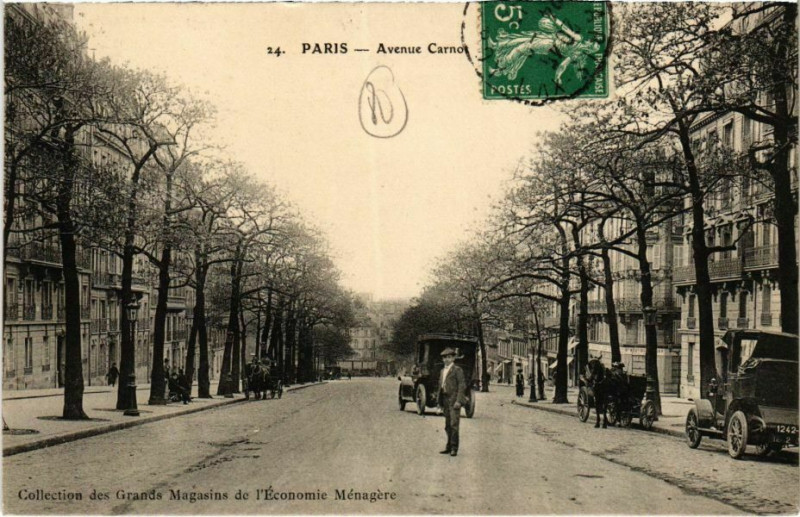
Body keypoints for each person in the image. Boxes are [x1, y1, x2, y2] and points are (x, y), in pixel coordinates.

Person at [437, 348, 467, 457]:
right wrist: (439, 401)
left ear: (453, 358)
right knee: (447, 425)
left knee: (454, 424)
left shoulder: (457, 370)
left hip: (454, 400)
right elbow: (440, 386)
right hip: (445, 400)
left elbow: (461, 386)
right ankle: (448, 446)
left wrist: (459, 401)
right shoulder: (442, 371)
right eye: (444, 357)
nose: (446, 360)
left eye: (449, 357)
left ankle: (454, 448)